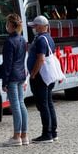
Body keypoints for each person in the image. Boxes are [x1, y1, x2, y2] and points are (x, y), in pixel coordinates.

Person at [27, 15, 58, 143]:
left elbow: (40, 58)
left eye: (34, 26)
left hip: (41, 77)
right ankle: (53, 131)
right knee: (49, 103)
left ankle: (47, 134)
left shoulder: (40, 40)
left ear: (40, 26)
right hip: (48, 77)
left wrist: (33, 73)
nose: (33, 28)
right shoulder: (48, 38)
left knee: (43, 105)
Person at [1, 13, 28, 147]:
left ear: (11, 25)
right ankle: (24, 135)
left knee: (15, 105)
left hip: (12, 76)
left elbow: (8, 64)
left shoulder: (9, 41)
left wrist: (4, 81)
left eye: (7, 23)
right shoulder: (22, 40)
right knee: (21, 104)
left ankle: (16, 136)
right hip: (21, 74)